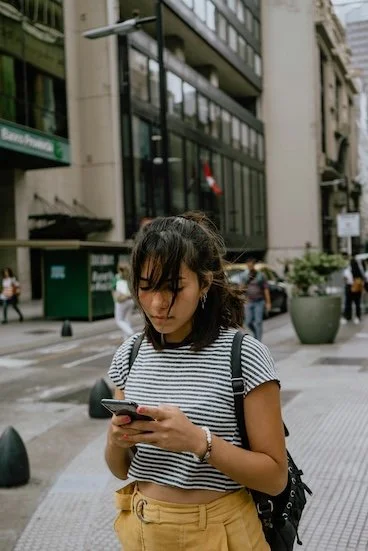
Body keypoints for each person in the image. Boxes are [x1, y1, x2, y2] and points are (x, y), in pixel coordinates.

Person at [105, 213, 287, 551]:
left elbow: (276, 478)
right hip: (141, 530)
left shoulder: (244, 354)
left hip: (220, 532)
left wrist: (199, 441)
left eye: (174, 288)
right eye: (146, 287)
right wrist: (116, 441)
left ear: (204, 284)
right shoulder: (129, 354)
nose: (158, 304)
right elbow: (120, 469)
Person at [239, 258, 271, 342]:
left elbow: (266, 289)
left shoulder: (260, 275)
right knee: (248, 322)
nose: (249, 266)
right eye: (248, 264)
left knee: (258, 322)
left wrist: (268, 302)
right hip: (249, 301)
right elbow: (241, 289)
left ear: (253, 264)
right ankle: (256, 334)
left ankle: (258, 340)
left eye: (251, 264)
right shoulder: (244, 275)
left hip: (259, 301)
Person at [112, 263, 135, 340]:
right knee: (127, 319)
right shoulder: (130, 277)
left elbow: (115, 291)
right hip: (131, 300)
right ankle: (127, 339)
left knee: (119, 320)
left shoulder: (117, 278)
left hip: (122, 301)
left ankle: (130, 333)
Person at [341, 257, 366, 324]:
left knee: (349, 303)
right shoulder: (359, 269)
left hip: (351, 286)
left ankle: (348, 317)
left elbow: (345, 278)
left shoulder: (349, 269)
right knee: (356, 303)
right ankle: (356, 317)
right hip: (356, 286)